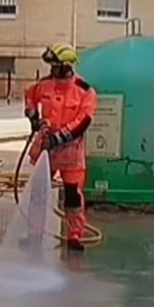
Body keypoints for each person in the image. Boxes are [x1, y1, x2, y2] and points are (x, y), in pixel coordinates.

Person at [23, 44, 97, 252]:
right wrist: (34, 119)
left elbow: (84, 121)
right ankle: (34, 234)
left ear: (66, 66)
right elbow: (29, 97)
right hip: (46, 148)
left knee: (73, 195)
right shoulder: (44, 85)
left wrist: (60, 137)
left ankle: (74, 236)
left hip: (71, 151)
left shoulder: (84, 91)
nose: (52, 71)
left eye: (55, 67)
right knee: (38, 193)